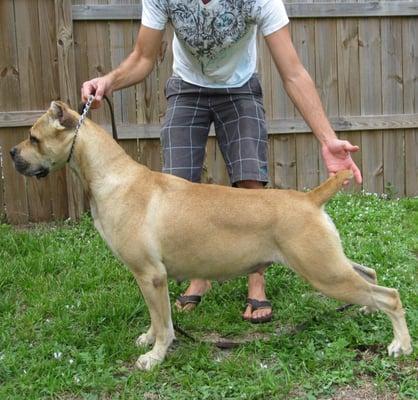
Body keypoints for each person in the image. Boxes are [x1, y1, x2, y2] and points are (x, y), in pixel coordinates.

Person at [81, 0, 362, 324]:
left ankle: (257, 282)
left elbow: (294, 72)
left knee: (251, 182)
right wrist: (108, 82)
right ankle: (200, 274)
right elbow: (143, 57)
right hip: (187, 88)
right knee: (177, 189)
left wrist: (328, 140)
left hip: (239, 88)